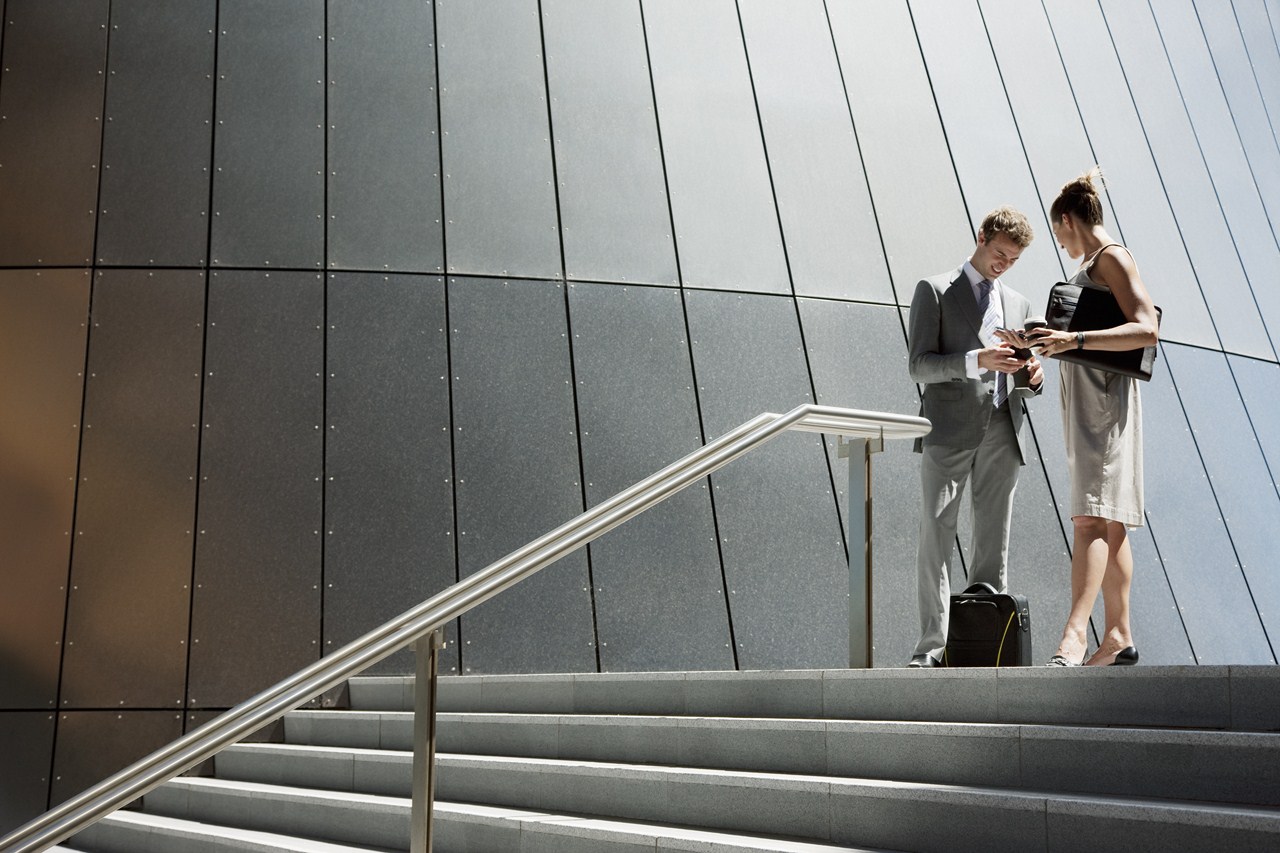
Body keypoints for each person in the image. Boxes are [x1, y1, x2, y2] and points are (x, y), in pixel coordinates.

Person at [1007, 168, 1158, 667]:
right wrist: (1043, 336)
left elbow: (1146, 328)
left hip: (1106, 408)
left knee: (1090, 517)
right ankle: (1118, 635)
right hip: (1093, 404)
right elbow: (1089, 329)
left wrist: (1072, 340)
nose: (1060, 243)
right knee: (1109, 523)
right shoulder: (1096, 262)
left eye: (1058, 232)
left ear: (1068, 219)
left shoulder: (1112, 256)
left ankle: (1074, 638)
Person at [906, 206, 1043, 668]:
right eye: (1000, 253)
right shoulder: (936, 290)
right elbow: (919, 365)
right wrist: (975, 360)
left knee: (992, 543)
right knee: (936, 536)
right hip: (948, 431)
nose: (1003, 264)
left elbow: (1021, 370)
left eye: (1013, 259)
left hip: (1004, 427)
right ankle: (931, 648)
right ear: (981, 236)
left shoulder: (1020, 304)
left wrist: (1032, 374)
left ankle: (986, 650)